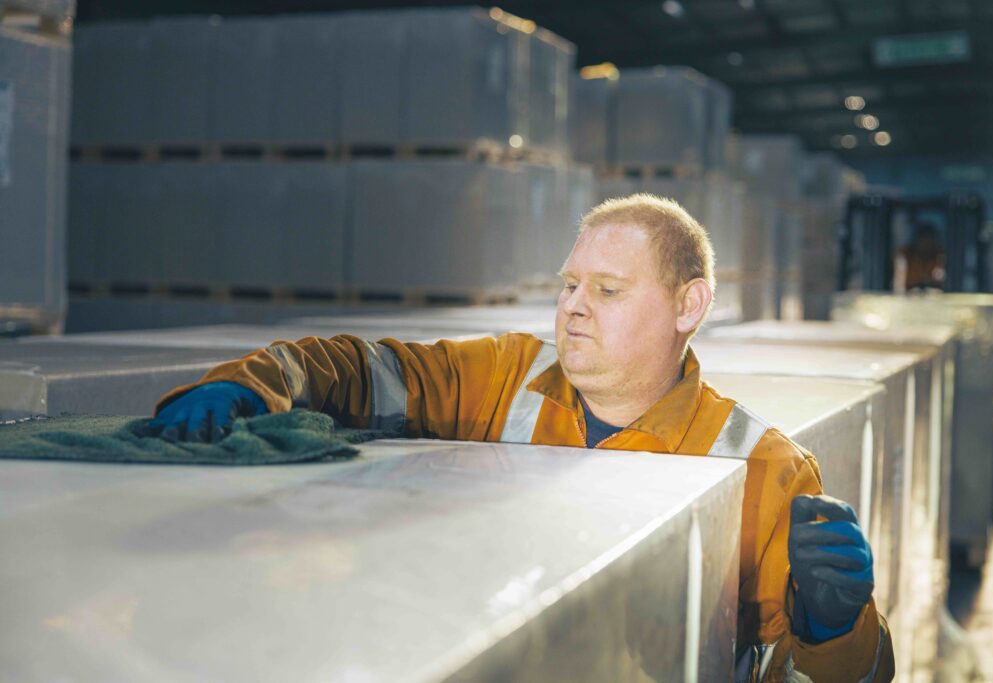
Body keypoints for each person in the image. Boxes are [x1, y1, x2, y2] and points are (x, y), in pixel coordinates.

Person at [152, 194, 894, 681]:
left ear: (688, 305)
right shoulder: (508, 377)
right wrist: (251, 382)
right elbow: (362, 368)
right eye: (568, 284)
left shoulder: (766, 469)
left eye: (606, 290)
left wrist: (834, 629)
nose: (573, 307)